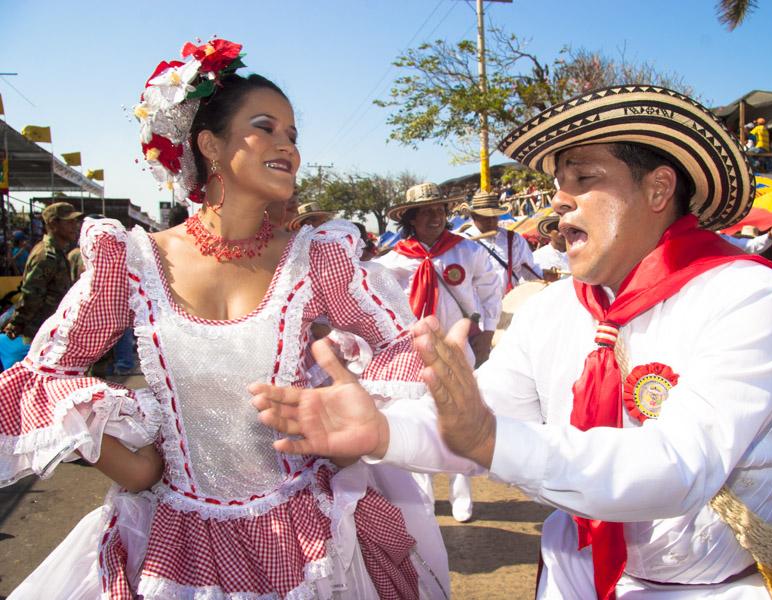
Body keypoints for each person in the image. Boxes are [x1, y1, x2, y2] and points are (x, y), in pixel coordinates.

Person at [254, 86, 772, 598]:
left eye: (583, 179)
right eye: (556, 184)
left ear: (657, 189)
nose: (557, 203)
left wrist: (490, 439)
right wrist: (383, 430)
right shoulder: (555, 311)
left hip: (735, 586)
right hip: (580, 577)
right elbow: (479, 419)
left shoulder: (746, 296)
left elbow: (681, 469)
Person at [0, 39, 448, 599]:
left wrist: (346, 433)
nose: (289, 146)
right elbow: (43, 376)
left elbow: (404, 344)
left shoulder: (318, 257)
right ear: (210, 144)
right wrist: (134, 466)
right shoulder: (133, 262)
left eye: (293, 135)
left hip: (308, 535)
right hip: (175, 543)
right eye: (267, 127)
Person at [376, 182, 501, 522]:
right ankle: (423, 502)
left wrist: (485, 331)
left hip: (457, 350)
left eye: (440, 211)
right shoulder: (393, 261)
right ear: (411, 218)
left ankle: (463, 500)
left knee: (460, 420)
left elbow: (490, 290)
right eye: (426, 211)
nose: (435, 217)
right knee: (418, 423)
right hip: (414, 355)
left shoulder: (467, 251)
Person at [3, 202, 81, 343]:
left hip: (52, 329)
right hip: (40, 332)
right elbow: (31, 295)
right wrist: (17, 323)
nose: (75, 226)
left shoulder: (58, 253)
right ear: (53, 225)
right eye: (69, 222)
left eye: (75, 222)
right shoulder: (46, 256)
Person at [460, 189, 545, 292]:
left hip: (510, 301)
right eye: (486, 217)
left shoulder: (514, 239)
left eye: (494, 216)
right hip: (479, 305)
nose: (491, 221)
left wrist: (543, 278)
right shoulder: (462, 243)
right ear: (474, 217)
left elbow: (529, 270)